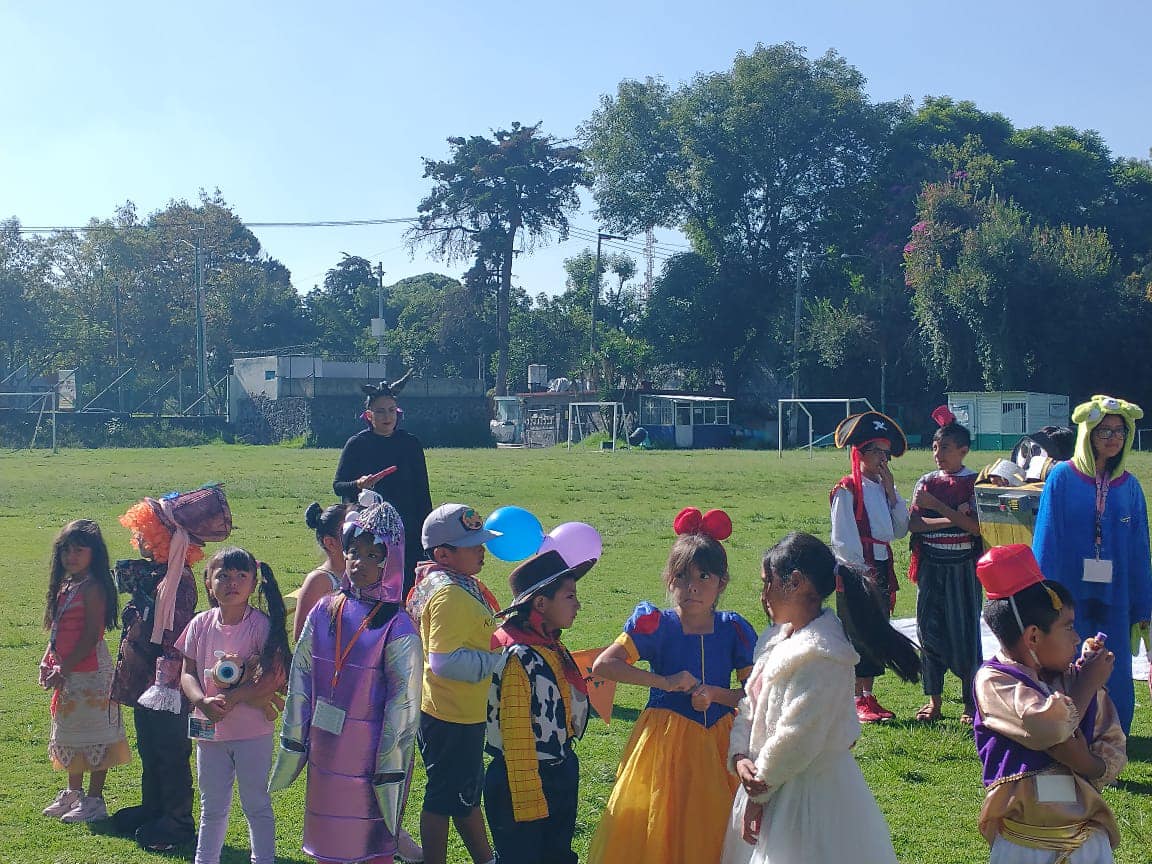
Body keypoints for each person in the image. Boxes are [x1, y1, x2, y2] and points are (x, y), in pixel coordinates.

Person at [720, 532, 920, 864]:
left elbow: (798, 735)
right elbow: (751, 702)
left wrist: (759, 790)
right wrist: (740, 755)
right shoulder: (777, 639)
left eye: (768, 582)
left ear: (795, 582)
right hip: (767, 782)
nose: (763, 594)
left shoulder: (823, 655)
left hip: (809, 796)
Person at [588, 507, 757, 864]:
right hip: (665, 744)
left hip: (721, 742)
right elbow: (605, 664)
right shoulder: (655, 624)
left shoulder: (734, 629)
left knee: (716, 824)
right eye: (681, 576)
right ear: (669, 580)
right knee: (661, 820)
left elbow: (755, 694)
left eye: (704, 576)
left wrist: (716, 694)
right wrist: (664, 681)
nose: (691, 586)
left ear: (722, 583)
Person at [271, 494, 423, 864]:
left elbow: (403, 707)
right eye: (354, 552)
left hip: (371, 758)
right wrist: (295, 739)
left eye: (373, 555)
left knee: (368, 844)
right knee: (328, 839)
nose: (359, 562)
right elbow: (302, 675)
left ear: (391, 559)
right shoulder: (325, 609)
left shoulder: (397, 625)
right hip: (326, 747)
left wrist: (389, 768)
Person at [972, 544, 1126, 863]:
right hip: (1023, 846)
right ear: (1033, 637)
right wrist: (1087, 683)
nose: (1076, 638)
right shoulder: (995, 681)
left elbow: (1111, 747)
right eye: (1068, 627)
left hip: (1087, 842)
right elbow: (1048, 728)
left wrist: (1085, 762)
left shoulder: (1071, 677)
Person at [110, 484, 233, 851]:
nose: (138, 540)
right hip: (146, 681)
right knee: (150, 747)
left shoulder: (178, 580)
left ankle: (177, 822)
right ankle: (155, 808)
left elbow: (175, 638)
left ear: (163, 540)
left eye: (144, 534)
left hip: (166, 686)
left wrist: (164, 686)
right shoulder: (160, 574)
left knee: (169, 752)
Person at [1032, 394, 1152, 733]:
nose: (1113, 438)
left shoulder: (1129, 486)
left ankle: (1114, 734)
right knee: (1069, 662)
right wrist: (1046, 597)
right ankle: (1070, 731)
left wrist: (1143, 603)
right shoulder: (1062, 478)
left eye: (1119, 431)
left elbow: (1139, 549)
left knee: (1114, 664)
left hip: (1115, 596)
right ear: (1088, 434)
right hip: (1069, 593)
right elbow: (1047, 538)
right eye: (1104, 431)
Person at [406, 504, 505, 864]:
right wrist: (498, 661)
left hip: (454, 709)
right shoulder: (450, 594)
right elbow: (444, 661)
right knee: (443, 797)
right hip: (452, 714)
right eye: (471, 545)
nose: (481, 549)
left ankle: (485, 858)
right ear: (443, 555)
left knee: (462, 793)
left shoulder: (452, 583)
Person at [178, 547, 291, 864]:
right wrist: (200, 700)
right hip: (208, 731)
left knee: (256, 803)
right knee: (211, 807)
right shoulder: (200, 624)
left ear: (254, 583)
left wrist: (236, 697)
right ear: (208, 582)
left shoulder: (261, 626)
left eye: (242, 575)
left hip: (251, 733)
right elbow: (187, 673)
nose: (232, 583)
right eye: (223, 576)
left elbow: (273, 677)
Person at [485, 550, 596, 864]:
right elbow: (516, 734)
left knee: (557, 855)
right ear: (541, 604)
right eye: (570, 596)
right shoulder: (518, 657)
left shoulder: (549, 645)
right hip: (522, 779)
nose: (578, 604)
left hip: (558, 769)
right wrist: (528, 799)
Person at [39, 519, 131, 823]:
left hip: (91, 675)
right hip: (67, 672)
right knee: (71, 732)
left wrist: (63, 668)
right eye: (66, 550)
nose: (71, 556)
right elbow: (57, 630)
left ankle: (94, 800)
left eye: (79, 550)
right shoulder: (65, 585)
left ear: (94, 554)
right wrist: (47, 660)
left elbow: (92, 635)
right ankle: (73, 793)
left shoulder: (93, 588)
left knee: (95, 733)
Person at [830, 410, 911, 723]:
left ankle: (868, 694)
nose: (882, 459)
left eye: (885, 453)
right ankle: (854, 696)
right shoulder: (847, 489)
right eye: (876, 451)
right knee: (857, 631)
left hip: (881, 562)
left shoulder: (883, 487)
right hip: (857, 569)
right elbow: (843, 538)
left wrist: (891, 492)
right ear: (860, 453)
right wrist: (858, 574)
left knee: (877, 630)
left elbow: (900, 529)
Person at [908, 406, 983, 724]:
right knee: (928, 630)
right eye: (935, 447)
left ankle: (970, 703)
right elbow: (914, 524)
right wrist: (954, 517)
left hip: (963, 568)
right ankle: (934, 700)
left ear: (963, 450)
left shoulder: (976, 483)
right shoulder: (926, 481)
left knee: (965, 632)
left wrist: (936, 507)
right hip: (931, 566)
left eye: (946, 448)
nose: (937, 454)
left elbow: (976, 529)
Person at [334, 375, 433, 598]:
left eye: (391, 410)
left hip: (407, 533)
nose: (387, 416)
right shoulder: (357, 444)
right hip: (369, 536)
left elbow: (422, 493)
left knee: (406, 591)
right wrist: (358, 484)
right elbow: (338, 486)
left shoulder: (411, 444)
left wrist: (427, 536)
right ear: (369, 415)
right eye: (380, 411)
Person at [293, 502, 349, 641]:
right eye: (350, 531)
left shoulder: (361, 574)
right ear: (330, 543)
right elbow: (301, 635)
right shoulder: (319, 581)